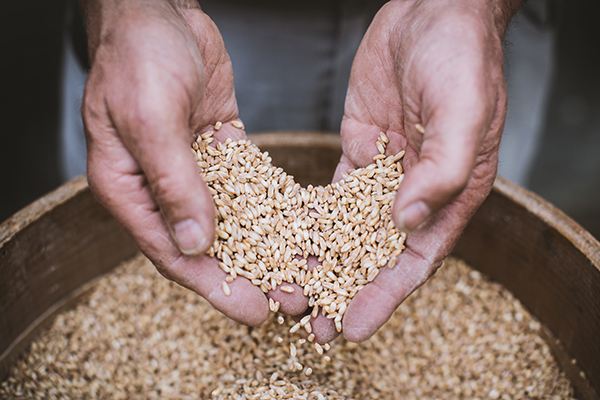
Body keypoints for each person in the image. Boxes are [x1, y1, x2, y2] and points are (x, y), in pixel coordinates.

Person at [77, 0, 524, 343]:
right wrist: (129, 10)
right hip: (210, 27)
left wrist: (475, 9)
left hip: (448, 34)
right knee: (150, 150)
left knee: (453, 155)